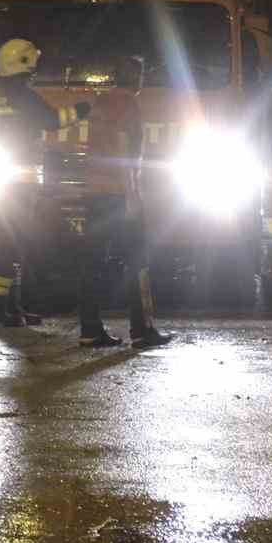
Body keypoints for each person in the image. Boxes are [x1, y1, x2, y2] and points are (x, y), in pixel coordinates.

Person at [0, 39, 87, 330]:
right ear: (23, 65)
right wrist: (81, 110)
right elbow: (51, 120)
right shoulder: (21, 95)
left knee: (11, 244)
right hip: (18, 184)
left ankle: (10, 308)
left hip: (3, 182)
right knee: (8, 246)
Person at [81, 55, 172, 348]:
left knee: (92, 262)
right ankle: (142, 330)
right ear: (139, 79)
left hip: (94, 192)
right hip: (118, 194)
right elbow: (123, 149)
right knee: (138, 261)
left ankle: (90, 329)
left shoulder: (100, 102)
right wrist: (132, 195)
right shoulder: (128, 105)